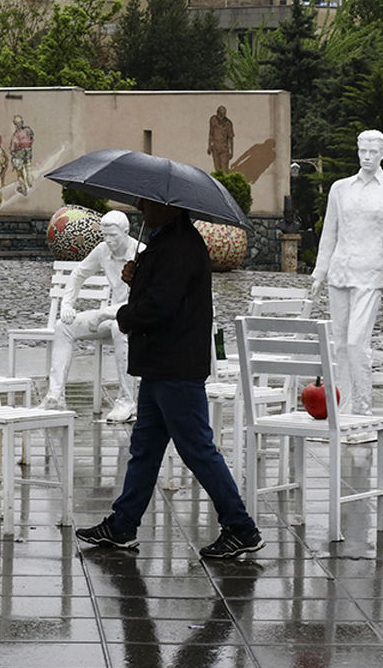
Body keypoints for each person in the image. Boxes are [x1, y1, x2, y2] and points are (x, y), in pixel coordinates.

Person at [75, 199, 263, 559]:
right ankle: (122, 524)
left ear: (170, 208)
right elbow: (160, 291)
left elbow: (160, 306)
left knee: (198, 450)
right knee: (145, 449)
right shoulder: (167, 243)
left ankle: (241, 528)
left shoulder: (178, 246)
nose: (141, 208)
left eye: (147, 204)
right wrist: (137, 274)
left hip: (175, 367)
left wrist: (125, 316)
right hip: (161, 365)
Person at [310, 130, 383, 416]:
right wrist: (320, 272)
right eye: (363, 151)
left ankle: (363, 408)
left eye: (373, 152)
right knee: (341, 344)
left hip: (370, 274)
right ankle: (343, 408)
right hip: (339, 273)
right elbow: (329, 232)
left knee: (357, 343)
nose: (367, 157)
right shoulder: (340, 188)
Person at [40, 210, 141, 422]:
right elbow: (78, 274)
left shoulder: (142, 254)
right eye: (105, 235)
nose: (109, 241)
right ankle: (55, 397)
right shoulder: (103, 250)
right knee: (63, 326)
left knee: (118, 327)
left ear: (126, 231)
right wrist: (67, 304)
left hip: (137, 322)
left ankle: (126, 401)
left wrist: (104, 313)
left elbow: (141, 304)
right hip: (113, 316)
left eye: (113, 236)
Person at [207, 105, 234, 172]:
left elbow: (231, 139)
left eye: (224, 114)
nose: (222, 116)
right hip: (215, 149)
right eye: (220, 114)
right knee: (217, 170)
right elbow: (211, 133)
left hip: (224, 150)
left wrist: (231, 152)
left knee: (224, 170)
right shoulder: (213, 120)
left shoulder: (228, 123)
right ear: (217, 113)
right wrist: (209, 146)